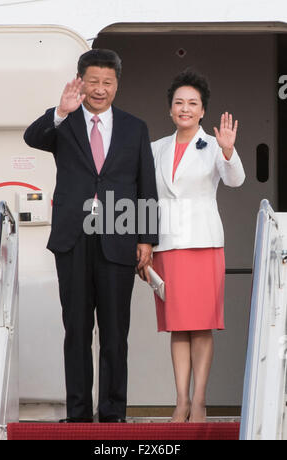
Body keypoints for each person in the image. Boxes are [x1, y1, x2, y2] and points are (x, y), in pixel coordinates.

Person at [24, 49, 158, 423]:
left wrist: (146, 239)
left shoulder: (135, 127)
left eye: (107, 83)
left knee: (116, 333)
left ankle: (113, 412)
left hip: (118, 234)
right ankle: (79, 414)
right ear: (81, 82)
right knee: (77, 330)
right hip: (73, 237)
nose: (100, 90)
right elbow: (31, 137)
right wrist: (60, 111)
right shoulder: (63, 122)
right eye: (93, 82)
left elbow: (146, 185)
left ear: (117, 84)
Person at [141, 70, 245, 423]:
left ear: (202, 111)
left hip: (202, 244)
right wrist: (144, 244)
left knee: (201, 325)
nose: (185, 109)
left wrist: (229, 151)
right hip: (167, 246)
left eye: (192, 104)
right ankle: (180, 401)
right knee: (178, 325)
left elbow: (235, 180)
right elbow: (147, 198)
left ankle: (199, 401)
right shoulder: (155, 148)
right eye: (179, 103)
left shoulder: (215, 146)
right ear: (170, 109)